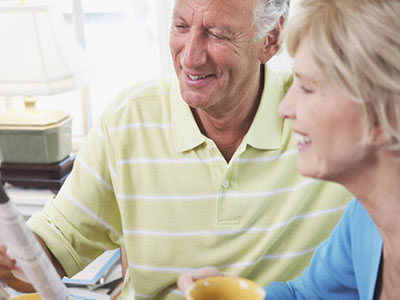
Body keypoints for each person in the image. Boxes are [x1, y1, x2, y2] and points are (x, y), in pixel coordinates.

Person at [0, 0, 352, 299]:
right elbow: (57, 245)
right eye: (181, 26)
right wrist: (12, 257)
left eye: (217, 34)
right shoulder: (129, 120)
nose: (191, 58)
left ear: (271, 40)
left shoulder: (320, 117)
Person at [178, 0, 400, 299]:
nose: (285, 107)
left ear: (385, 111)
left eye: (307, 88)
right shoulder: (364, 218)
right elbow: (307, 296)